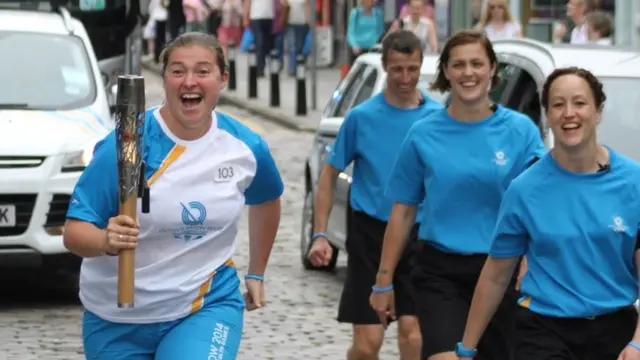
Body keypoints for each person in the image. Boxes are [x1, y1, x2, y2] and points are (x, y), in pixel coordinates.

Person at [63, 32, 284, 360]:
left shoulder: (245, 147)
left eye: (203, 71)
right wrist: (105, 241)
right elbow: (73, 232)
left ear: (223, 79)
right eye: (178, 71)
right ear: (163, 79)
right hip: (116, 316)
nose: (189, 82)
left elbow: (267, 199)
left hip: (204, 305)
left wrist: (256, 271)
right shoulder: (127, 145)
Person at [369, 29, 547, 360]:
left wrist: (532, 260)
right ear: (446, 72)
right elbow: (404, 211)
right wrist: (383, 280)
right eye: (459, 64)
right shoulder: (423, 133)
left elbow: (540, 205)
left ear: (493, 69)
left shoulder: (521, 131)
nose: (468, 73)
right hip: (442, 273)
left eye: (477, 63)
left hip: (502, 272)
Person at [457, 67, 640, 360]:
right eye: (558, 104)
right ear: (547, 115)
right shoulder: (524, 189)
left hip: (615, 330)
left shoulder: (634, 182)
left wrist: (637, 343)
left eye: (579, 103)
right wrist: (466, 347)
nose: (569, 113)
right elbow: (496, 274)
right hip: (543, 329)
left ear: (598, 111)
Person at [307, 30, 443, 360]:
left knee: (414, 337)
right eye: (397, 69)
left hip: (420, 236)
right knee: (368, 345)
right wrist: (320, 234)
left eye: (412, 69)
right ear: (385, 67)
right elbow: (327, 179)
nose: (406, 78)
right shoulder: (361, 118)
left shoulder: (437, 118)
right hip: (370, 235)